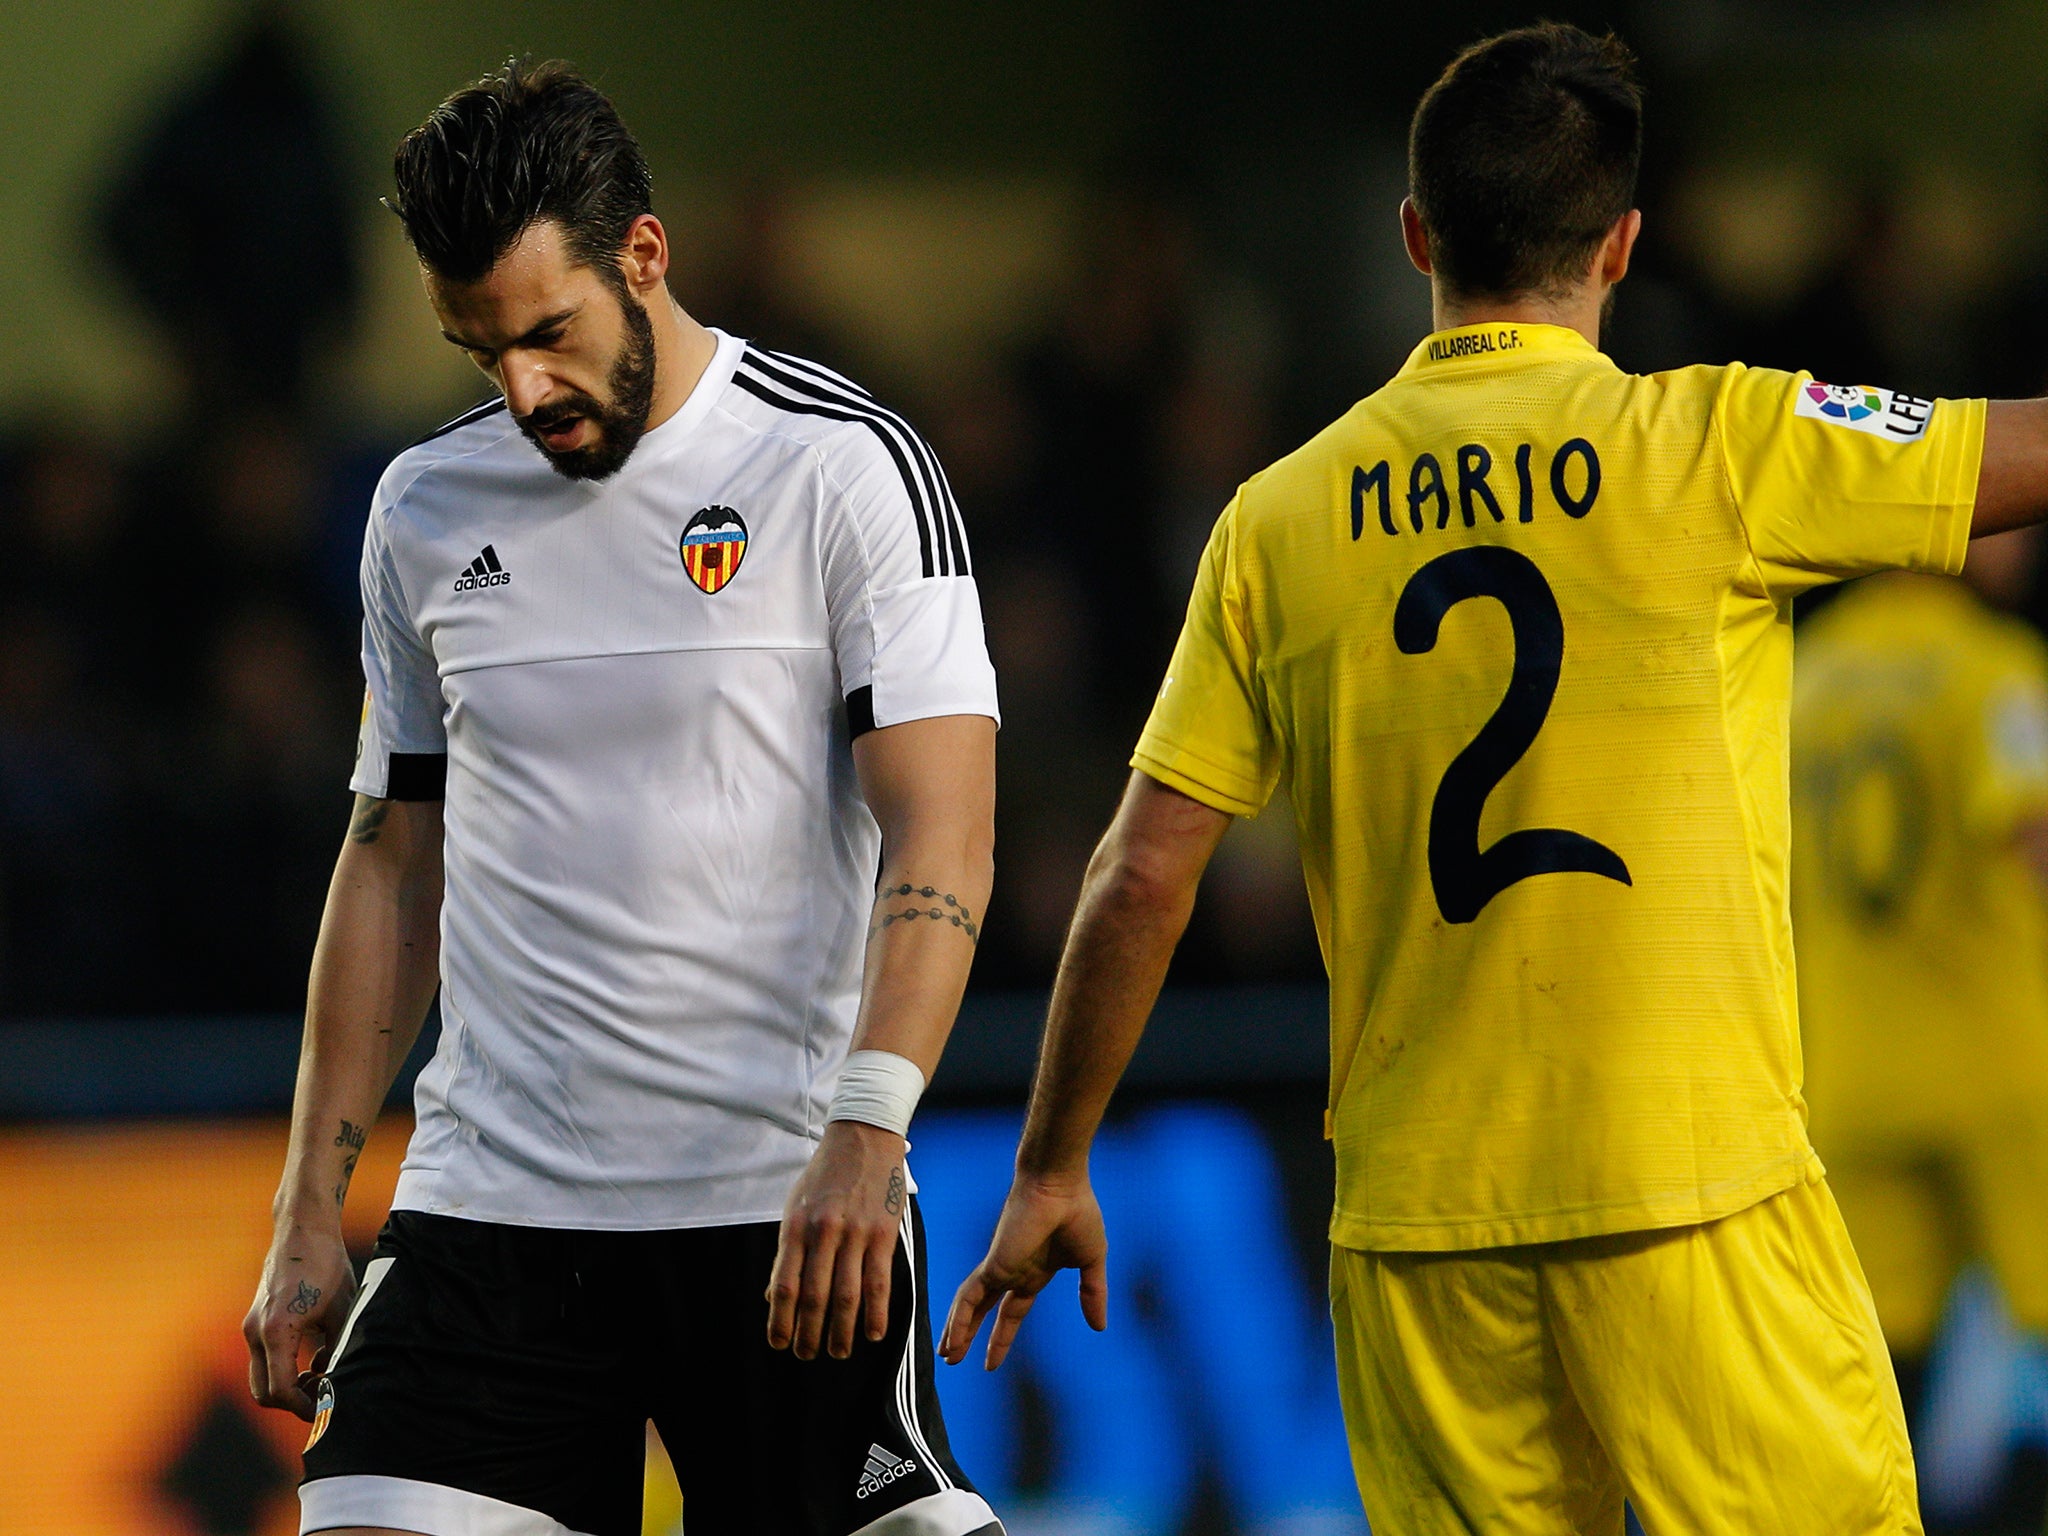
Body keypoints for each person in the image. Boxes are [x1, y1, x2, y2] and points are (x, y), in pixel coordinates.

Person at [940, 23, 2048, 1534]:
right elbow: (2017, 458)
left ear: (1417, 235)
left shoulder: (1276, 520)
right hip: (1688, 1194)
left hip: (1418, 1232)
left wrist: (1054, 1162)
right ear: (1624, 245)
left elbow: (1139, 873)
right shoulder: (1719, 441)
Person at [240, 61, 1004, 1536]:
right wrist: (301, 1214)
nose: (525, 390)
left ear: (643, 258)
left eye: (548, 334)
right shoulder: (422, 512)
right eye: (482, 354)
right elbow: (392, 862)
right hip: (494, 1218)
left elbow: (945, 831)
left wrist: (870, 1129)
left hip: (782, 1207)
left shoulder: (844, 470)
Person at [1793, 527, 2048, 1522]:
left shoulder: (1801, 680)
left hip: (1848, 1076)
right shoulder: (1994, 673)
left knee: (1873, 1377)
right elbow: (2031, 837)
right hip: (2001, 1072)